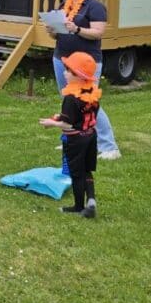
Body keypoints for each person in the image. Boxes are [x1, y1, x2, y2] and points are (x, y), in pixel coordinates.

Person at [44, 0, 121, 160]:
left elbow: (98, 32)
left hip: (87, 62)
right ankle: (72, 139)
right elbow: (57, 33)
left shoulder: (94, 6)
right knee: (69, 101)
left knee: (89, 101)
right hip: (62, 58)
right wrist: (51, 29)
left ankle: (109, 146)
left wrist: (77, 29)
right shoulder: (65, 4)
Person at [40, 51, 101, 218]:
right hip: (90, 135)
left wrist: (51, 123)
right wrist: (61, 116)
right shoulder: (92, 93)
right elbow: (85, 114)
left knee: (77, 173)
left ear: (80, 77)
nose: (65, 73)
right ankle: (92, 200)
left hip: (76, 139)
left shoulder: (70, 98)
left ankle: (79, 207)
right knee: (87, 170)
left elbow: (67, 123)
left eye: (69, 71)